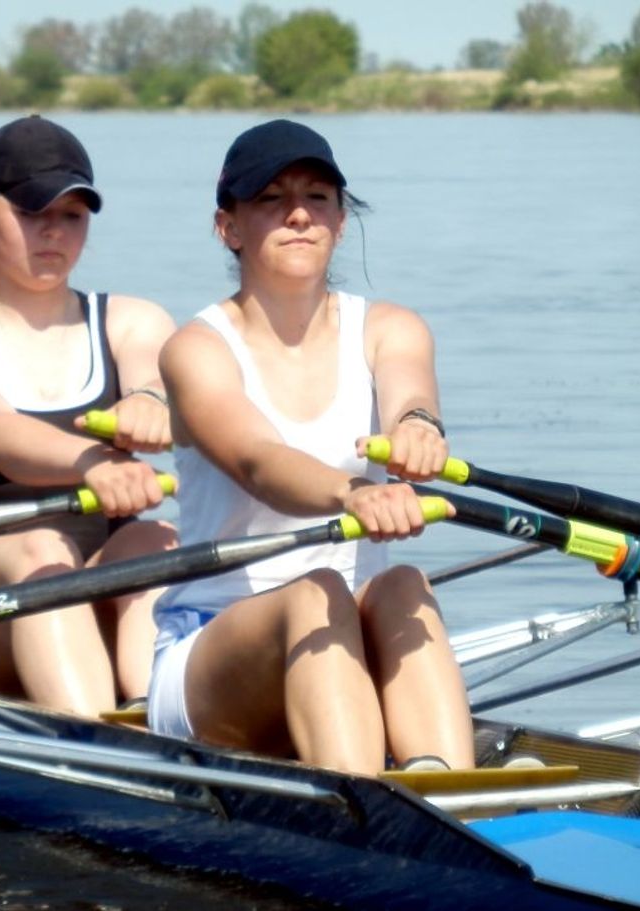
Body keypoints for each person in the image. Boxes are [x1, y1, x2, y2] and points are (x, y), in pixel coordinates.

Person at [149, 119, 474, 775]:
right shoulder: (198, 349)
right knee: (315, 588)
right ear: (228, 227)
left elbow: (412, 394)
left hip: (352, 639)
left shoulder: (389, 327)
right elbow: (258, 461)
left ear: (341, 221)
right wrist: (356, 492)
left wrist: (418, 428)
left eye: (318, 197)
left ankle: (446, 788)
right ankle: (365, 812)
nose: (299, 214)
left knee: (403, 580)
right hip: (212, 655)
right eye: (272, 198)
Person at [0, 115, 177, 717]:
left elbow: (157, 376)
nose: (53, 233)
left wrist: (151, 402)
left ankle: (152, 715)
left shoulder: (132, 321)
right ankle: (96, 750)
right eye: (30, 212)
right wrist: (93, 462)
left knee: (156, 537)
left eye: (72, 216)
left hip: (88, 598)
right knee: (41, 551)